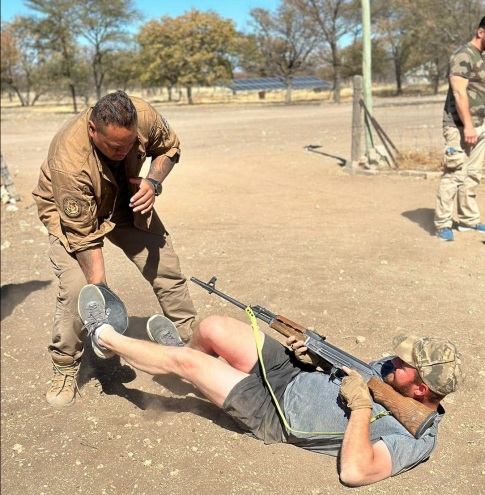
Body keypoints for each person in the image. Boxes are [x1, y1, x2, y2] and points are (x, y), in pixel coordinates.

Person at [78, 284, 464, 487]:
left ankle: (105, 336)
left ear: (420, 390)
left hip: (273, 412)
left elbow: (356, 472)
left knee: (190, 361)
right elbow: (345, 369)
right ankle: (181, 370)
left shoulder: (416, 437)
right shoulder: (393, 373)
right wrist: (313, 354)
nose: (394, 361)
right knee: (211, 326)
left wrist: (361, 407)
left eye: (405, 365)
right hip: (289, 373)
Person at [32, 91, 197, 407]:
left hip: (126, 200)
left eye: (129, 144)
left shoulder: (143, 115)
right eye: (114, 146)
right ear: (93, 129)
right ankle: (65, 365)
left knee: (166, 267)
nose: (124, 151)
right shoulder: (70, 159)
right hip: (72, 211)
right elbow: (84, 238)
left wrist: (153, 183)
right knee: (78, 288)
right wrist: (102, 294)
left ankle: (191, 344)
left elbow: (169, 148)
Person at [435, 16, 485, 241]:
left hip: (479, 126)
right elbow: (459, 93)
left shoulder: (481, 58)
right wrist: (468, 127)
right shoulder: (463, 55)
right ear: (481, 32)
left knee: (473, 175)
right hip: (459, 126)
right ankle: (443, 224)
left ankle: (468, 220)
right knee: (454, 173)